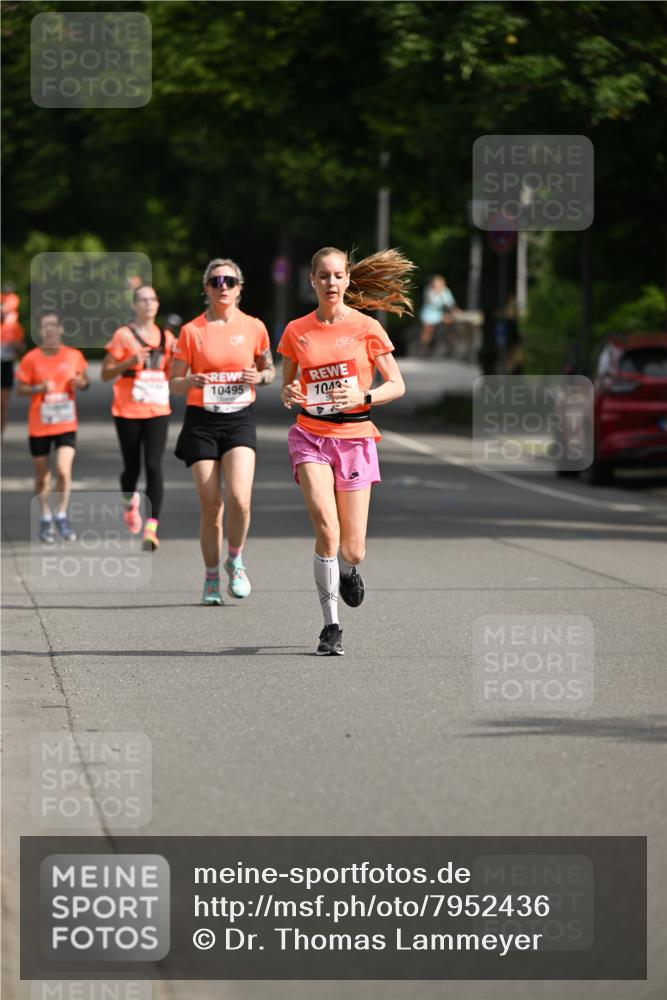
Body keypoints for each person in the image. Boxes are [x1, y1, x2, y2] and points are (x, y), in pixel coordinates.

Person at [278, 246, 413, 656]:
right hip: (310, 436)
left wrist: (363, 394)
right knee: (326, 528)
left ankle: (350, 570)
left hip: (355, 439)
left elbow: (397, 384)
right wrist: (289, 392)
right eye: (323, 276)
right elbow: (289, 387)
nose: (331, 283)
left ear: (348, 280)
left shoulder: (368, 327)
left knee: (352, 548)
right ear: (312, 281)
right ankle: (330, 626)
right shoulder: (296, 330)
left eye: (338, 276)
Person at [170, 258, 274, 604]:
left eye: (229, 281)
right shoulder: (191, 331)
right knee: (211, 505)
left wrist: (259, 377)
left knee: (240, 499)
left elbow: (269, 368)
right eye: (216, 281)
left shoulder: (255, 326)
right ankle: (211, 576)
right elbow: (173, 383)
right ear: (206, 288)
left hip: (239, 418)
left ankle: (236, 559)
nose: (223, 287)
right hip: (202, 421)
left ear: (240, 287)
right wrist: (190, 380)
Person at [101, 285, 177, 551]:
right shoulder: (123, 335)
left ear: (157, 305)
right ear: (135, 306)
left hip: (157, 409)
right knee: (131, 467)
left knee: (154, 466)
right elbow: (106, 373)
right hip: (127, 409)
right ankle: (128, 502)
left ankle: (151, 528)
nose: (148, 304)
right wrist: (129, 361)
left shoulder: (167, 337)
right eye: (142, 300)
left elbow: (172, 372)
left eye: (152, 299)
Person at [15, 309, 89, 543]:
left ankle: (61, 513)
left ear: (61, 329)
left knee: (63, 470)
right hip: (39, 424)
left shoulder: (73, 355)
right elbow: (20, 389)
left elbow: (85, 381)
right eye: (45, 326)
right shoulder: (31, 358)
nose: (49, 330)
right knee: (42, 476)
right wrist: (38, 388)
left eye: (53, 325)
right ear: (39, 331)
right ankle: (46, 516)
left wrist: (81, 382)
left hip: (66, 422)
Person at [1, 287, 26, 437]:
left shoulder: (14, 327)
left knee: (2, 404)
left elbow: (21, 347)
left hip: (6, 365)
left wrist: (16, 346)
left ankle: (0, 435)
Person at [419, 274, 457, 353]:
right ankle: (424, 349)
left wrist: (455, 311)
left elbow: (450, 304)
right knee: (428, 329)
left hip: (440, 313)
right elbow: (430, 302)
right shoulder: (429, 290)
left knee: (450, 323)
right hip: (429, 313)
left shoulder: (446, 291)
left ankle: (451, 346)